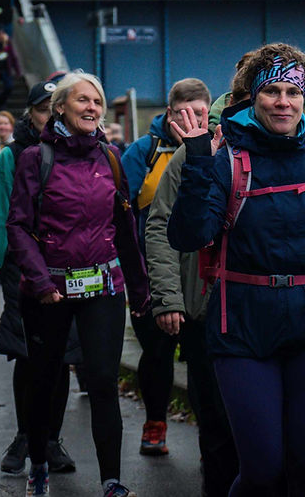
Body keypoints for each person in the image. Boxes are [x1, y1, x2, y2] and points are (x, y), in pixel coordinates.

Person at [167, 43, 305, 495]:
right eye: (273, 91)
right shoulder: (226, 161)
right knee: (261, 469)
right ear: (253, 97)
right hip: (243, 331)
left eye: (293, 92)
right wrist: (199, 160)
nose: (284, 101)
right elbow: (187, 236)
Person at [7, 72, 150, 497]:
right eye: (83, 101)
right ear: (61, 108)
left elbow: (125, 227)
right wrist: (39, 280)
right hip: (50, 292)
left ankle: (112, 481)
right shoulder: (36, 158)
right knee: (45, 378)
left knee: (103, 381)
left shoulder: (110, 158)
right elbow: (17, 226)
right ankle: (38, 464)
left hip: (104, 288)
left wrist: (140, 291)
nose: (92, 108)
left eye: (97, 101)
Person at [146, 70, 247, 497]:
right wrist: (168, 298)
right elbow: (160, 226)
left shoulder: (266, 157)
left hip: (254, 309)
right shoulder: (187, 160)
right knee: (215, 419)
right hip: (205, 310)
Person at [0, 80, 78, 476]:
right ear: (29, 114)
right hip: (24, 270)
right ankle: (24, 434)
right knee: (27, 353)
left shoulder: (82, 149)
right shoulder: (14, 155)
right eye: (41, 108)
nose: (49, 115)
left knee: (64, 355)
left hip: (70, 269)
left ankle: (51, 439)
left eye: (55, 107)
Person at [123, 77, 212, 457]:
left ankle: (209, 434)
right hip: (152, 274)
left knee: (203, 362)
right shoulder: (143, 152)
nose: (191, 121)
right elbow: (120, 212)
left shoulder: (217, 149)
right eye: (183, 113)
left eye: (201, 113)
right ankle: (155, 423)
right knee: (158, 353)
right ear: (170, 112)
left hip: (201, 278)